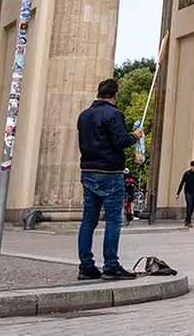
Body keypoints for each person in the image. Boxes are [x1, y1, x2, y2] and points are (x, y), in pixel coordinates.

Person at [74, 79, 140, 281]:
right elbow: (119, 141)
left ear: (98, 93)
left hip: (88, 170)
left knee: (88, 220)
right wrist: (135, 136)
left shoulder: (84, 115)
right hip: (109, 172)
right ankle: (111, 265)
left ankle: (86, 265)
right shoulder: (114, 114)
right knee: (113, 219)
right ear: (116, 95)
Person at [176, 161, 194, 227]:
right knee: (189, 205)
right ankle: (189, 222)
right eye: (193, 167)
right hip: (188, 191)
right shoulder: (187, 173)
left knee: (192, 206)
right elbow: (182, 183)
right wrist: (178, 193)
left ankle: (187, 219)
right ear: (191, 166)